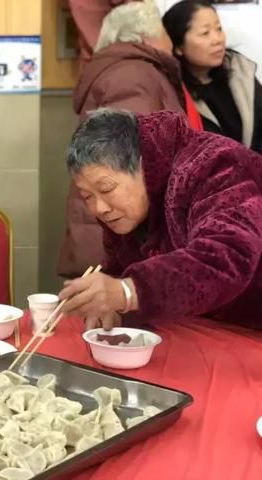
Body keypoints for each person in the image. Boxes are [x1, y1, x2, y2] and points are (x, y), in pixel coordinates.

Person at [58, 109, 262, 331]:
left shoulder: (216, 165)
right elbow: (121, 267)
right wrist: (110, 302)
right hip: (212, 327)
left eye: (106, 188)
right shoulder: (128, 209)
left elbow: (227, 256)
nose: (99, 208)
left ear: (143, 165)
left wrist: (129, 291)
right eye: (87, 195)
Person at [59, 0, 188, 278]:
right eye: (164, 32)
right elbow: (128, 163)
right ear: (145, 37)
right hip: (123, 234)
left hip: (116, 227)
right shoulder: (133, 75)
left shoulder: (126, 71)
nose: (173, 45)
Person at [163, 0, 262, 152]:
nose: (218, 40)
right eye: (205, 33)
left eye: (219, 29)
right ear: (178, 47)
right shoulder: (172, 93)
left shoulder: (240, 74)